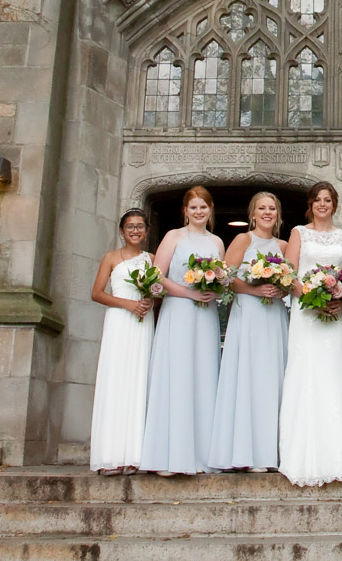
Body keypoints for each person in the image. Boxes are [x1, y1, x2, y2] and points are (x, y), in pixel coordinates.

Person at [138, 186, 225, 475]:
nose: (199, 212)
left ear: (210, 210)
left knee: (203, 374)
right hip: (178, 312)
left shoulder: (217, 242)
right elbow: (155, 276)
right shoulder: (173, 236)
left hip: (206, 316)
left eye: (203, 207)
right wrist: (189, 293)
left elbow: (223, 280)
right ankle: (168, 456)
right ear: (185, 211)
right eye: (193, 207)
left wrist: (215, 289)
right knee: (177, 375)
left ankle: (201, 456)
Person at [277, 181, 342, 486]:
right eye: (318, 200)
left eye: (328, 200)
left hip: (335, 317)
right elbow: (288, 274)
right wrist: (313, 298)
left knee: (333, 377)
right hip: (307, 315)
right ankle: (301, 456)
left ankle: (338, 455)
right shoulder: (299, 233)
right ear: (310, 205)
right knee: (306, 376)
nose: (323, 204)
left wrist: (340, 298)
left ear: (334, 204)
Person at [209, 190, 291, 472]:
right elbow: (226, 277)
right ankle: (244, 453)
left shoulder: (284, 245)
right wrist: (255, 289)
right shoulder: (244, 239)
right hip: (249, 315)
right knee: (248, 375)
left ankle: (269, 454)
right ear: (253, 214)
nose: (267, 213)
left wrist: (280, 288)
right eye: (262, 208)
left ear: (278, 215)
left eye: (272, 208)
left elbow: (290, 282)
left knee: (271, 376)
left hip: (274, 316)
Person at [88, 209, 157, 475]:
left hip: (142, 323)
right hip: (118, 322)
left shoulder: (152, 259)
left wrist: (151, 301)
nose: (135, 230)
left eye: (140, 226)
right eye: (130, 226)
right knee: (116, 382)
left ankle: (135, 456)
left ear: (147, 231)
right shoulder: (111, 258)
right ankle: (110, 455)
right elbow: (97, 293)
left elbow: (159, 291)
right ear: (121, 230)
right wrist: (127, 304)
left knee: (138, 381)